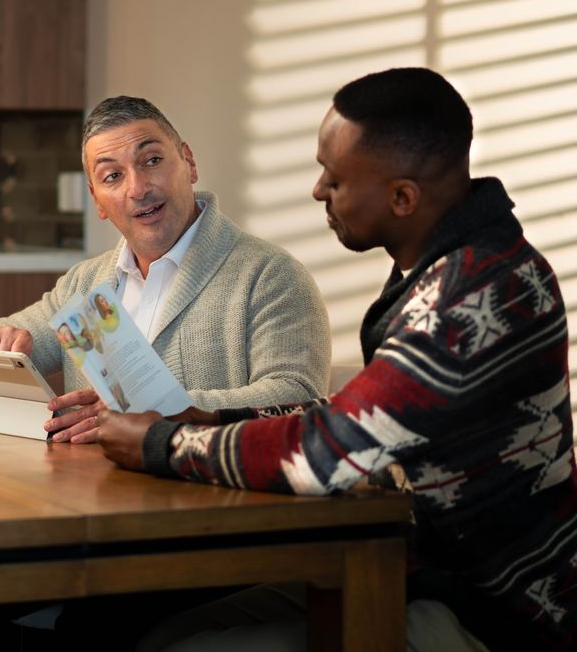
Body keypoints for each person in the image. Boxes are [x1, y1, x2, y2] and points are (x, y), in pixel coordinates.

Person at [98, 68, 576, 651]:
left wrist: (161, 445)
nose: (319, 191)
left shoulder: (471, 297)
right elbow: (356, 414)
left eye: (336, 177)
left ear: (402, 198)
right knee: (161, 633)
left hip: (493, 608)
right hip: (415, 567)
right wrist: (206, 419)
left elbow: (329, 454)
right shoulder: (452, 267)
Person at [0, 96, 331, 443]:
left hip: (207, 499)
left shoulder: (271, 277)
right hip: (94, 494)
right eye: (112, 176)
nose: (138, 188)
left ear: (189, 162)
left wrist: (152, 410)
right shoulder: (84, 284)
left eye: (152, 160)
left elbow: (297, 399)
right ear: (97, 201)